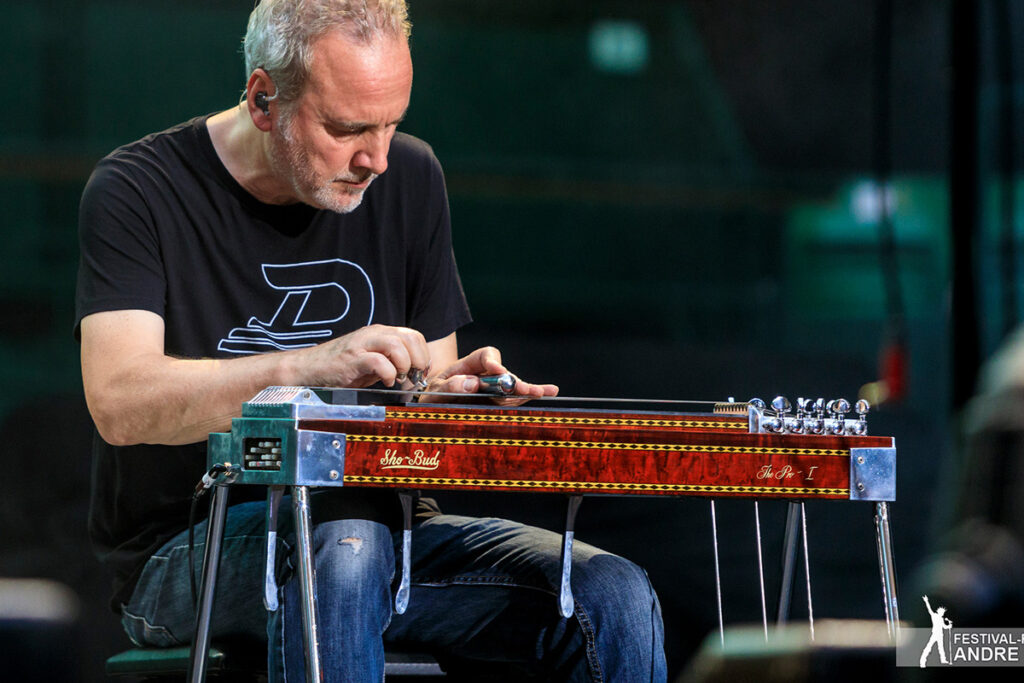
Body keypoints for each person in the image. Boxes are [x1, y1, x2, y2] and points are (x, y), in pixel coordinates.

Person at [75, 1, 666, 681]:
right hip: (186, 549)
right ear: (265, 100)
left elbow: (427, 396)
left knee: (612, 593)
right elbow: (120, 402)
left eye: (392, 124)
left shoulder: (412, 178)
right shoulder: (138, 190)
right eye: (348, 128)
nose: (376, 158)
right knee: (342, 537)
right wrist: (311, 367)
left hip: (390, 534)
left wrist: (452, 391)